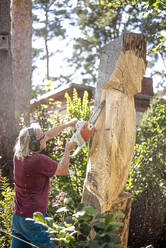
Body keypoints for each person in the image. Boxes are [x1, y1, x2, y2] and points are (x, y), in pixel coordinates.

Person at [11, 120, 77, 248]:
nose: (45, 138)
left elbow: (48, 134)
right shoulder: (38, 160)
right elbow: (62, 170)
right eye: (42, 138)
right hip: (34, 219)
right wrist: (67, 150)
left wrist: (68, 124)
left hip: (18, 218)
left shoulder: (18, 155)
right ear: (34, 144)